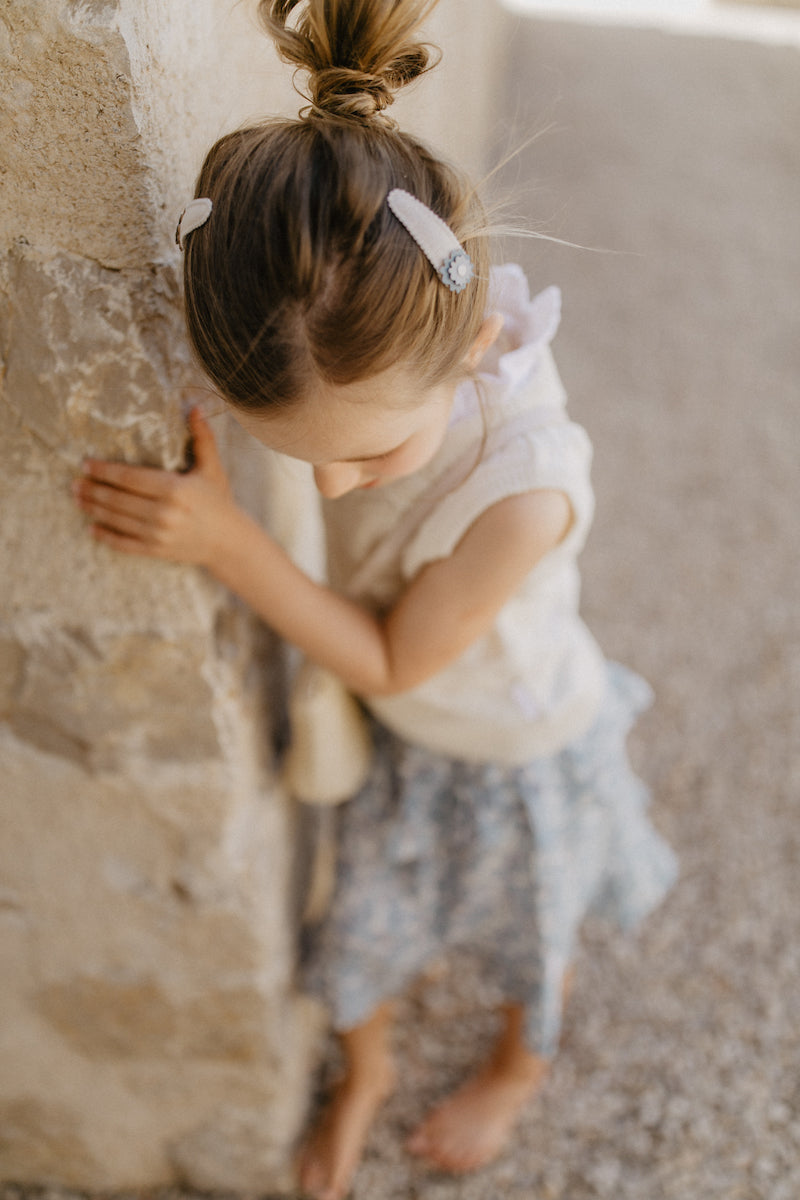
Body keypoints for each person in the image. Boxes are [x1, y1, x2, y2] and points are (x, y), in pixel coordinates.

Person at [73, 2, 678, 1197]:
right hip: (409, 723)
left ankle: (516, 1066)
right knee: (361, 924)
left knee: (525, 935)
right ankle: (367, 1068)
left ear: (467, 356)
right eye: (294, 453)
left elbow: (397, 660)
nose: (331, 483)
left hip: (507, 737)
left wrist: (230, 544)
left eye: (366, 456)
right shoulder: (379, 326)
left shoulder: (523, 497)